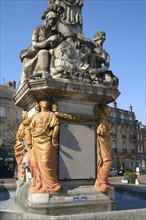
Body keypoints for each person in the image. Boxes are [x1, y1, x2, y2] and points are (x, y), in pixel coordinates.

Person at [19, 11, 63, 86]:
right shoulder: (38, 29)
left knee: (52, 52)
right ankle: (42, 73)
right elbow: (34, 44)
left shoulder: (54, 32)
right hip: (34, 52)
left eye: (56, 20)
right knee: (44, 52)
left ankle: (54, 71)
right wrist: (48, 40)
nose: (54, 22)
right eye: (52, 19)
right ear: (47, 19)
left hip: (48, 52)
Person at [26, 100, 61, 193]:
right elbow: (29, 128)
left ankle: (51, 185)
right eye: (42, 101)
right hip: (36, 141)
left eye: (46, 101)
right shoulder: (36, 116)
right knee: (36, 163)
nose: (45, 102)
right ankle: (39, 183)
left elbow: (56, 126)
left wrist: (53, 138)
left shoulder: (51, 115)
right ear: (39, 104)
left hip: (47, 140)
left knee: (46, 162)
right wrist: (29, 140)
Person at [95, 105, 114, 192]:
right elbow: (100, 131)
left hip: (105, 142)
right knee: (107, 161)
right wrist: (109, 132)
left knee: (106, 161)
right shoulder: (102, 120)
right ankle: (101, 181)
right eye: (107, 110)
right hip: (102, 143)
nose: (109, 111)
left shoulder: (103, 119)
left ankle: (104, 180)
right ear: (103, 110)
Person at [14, 111, 30, 186]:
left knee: (22, 167)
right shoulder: (23, 124)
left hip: (25, 147)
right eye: (22, 114)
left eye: (24, 114)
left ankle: (21, 182)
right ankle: (21, 182)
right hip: (23, 148)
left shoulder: (24, 124)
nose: (23, 115)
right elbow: (19, 136)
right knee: (22, 167)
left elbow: (19, 136)